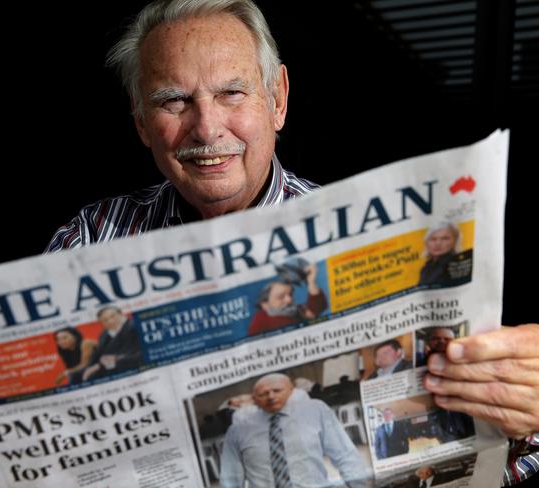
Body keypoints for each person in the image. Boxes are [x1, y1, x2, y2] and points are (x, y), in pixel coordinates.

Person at [43, 1, 539, 485]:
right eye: (173, 100)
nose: (207, 128)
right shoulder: (91, 237)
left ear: (277, 98)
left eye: (232, 92)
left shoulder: (381, 243)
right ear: (140, 121)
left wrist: (519, 419)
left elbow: (497, 455)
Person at [220, 373, 367, 488]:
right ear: (254, 399)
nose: (271, 397)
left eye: (277, 390)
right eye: (263, 394)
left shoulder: (315, 410)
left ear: (291, 391)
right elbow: (231, 480)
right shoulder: (239, 430)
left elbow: (345, 455)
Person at [247, 264, 326, 336]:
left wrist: (311, 282)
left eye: (290, 294)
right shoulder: (260, 322)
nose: (289, 300)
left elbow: (315, 310)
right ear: (265, 304)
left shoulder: (297, 310)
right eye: (281, 297)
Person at [82, 306, 143, 381]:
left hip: (126, 365)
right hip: (106, 366)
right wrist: (89, 367)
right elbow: (98, 353)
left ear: (121, 314)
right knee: (78, 375)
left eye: (113, 316)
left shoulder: (133, 327)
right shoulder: (104, 334)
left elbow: (131, 353)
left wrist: (99, 366)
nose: (110, 321)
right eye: (105, 320)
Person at [418, 222, 471, 287]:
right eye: (433, 239)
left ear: (455, 241)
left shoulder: (455, 265)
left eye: (445, 238)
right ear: (426, 242)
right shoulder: (426, 268)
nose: (438, 243)